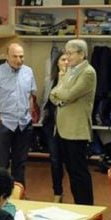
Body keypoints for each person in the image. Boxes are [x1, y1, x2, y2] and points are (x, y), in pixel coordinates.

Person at [50, 39, 97, 205]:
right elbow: (53, 94)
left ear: (81, 54)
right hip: (62, 129)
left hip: (76, 130)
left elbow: (69, 95)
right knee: (69, 170)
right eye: (66, 53)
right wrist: (62, 93)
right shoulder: (69, 71)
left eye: (70, 53)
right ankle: (78, 203)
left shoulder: (88, 72)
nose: (67, 57)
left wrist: (61, 94)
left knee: (79, 171)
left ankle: (86, 206)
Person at [0, 43, 38, 187]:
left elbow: (31, 94)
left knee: (20, 162)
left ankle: (19, 194)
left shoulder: (28, 71)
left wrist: (29, 112)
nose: (18, 60)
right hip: (5, 123)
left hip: (24, 123)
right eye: (15, 56)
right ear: (7, 56)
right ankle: (1, 194)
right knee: (2, 163)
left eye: (21, 56)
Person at [42, 52, 69, 202]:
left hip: (68, 124)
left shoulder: (73, 80)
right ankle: (57, 192)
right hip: (51, 124)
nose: (65, 62)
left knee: (69, 160)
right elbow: (45, 101)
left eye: (67, 59)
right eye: (62, 59)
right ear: (57, 63)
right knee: (55, 159)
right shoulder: (50, 80)